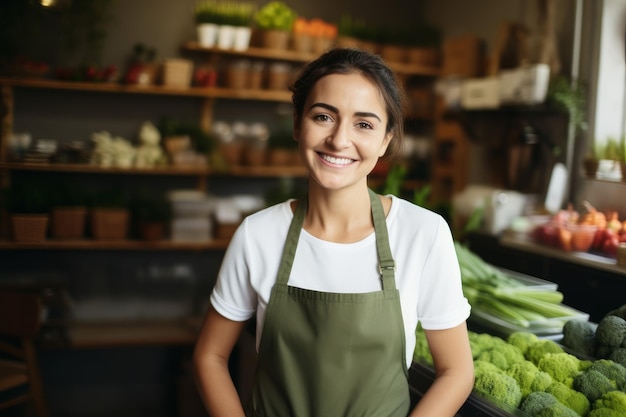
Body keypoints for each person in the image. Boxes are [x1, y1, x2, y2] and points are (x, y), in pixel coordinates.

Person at [193, 48, 475, 417]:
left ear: (386, 140)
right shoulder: (258, 235)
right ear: (297, 124)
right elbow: (210, 356)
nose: (340, 140)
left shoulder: (423, 234)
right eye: (324, 116)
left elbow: (456, 371)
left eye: (364, 124)